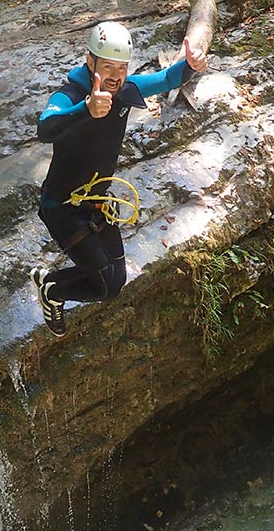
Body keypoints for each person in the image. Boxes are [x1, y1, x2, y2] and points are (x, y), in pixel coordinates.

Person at [30, 20, 208, 336]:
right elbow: (46, 127)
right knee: (103, 286)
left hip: (96, 204)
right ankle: (52, 292)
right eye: (107, 67)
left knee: (115, 282)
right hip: (62, 209)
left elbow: (167, 78)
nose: (115, 76)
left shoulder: (124, 91)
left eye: (121, 68)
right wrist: (85, 109)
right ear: (90, 62)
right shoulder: (70, 94)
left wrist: (191, 66)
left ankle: (49, 284)